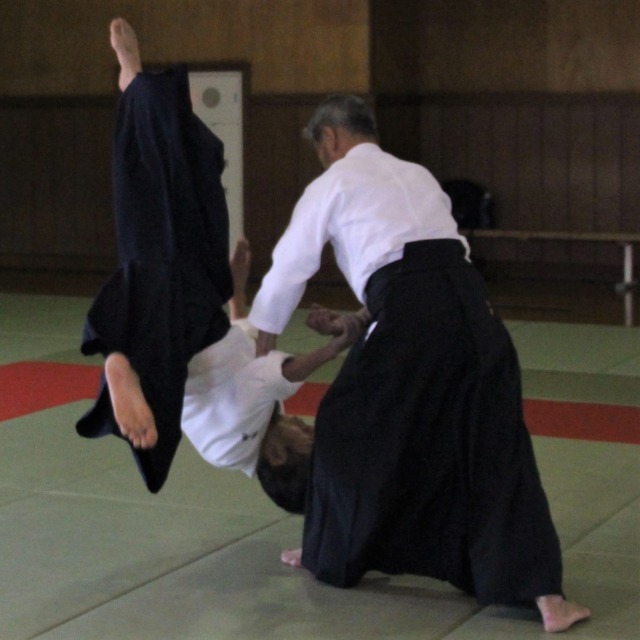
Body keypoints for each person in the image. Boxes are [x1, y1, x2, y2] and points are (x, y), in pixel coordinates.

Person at [247, 95, 591, 632]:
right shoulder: (417, 174)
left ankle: (328, 552)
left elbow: (289, 268)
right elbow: (426, 258)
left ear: (329, 138)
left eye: (319, 148)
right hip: (474, 308)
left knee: (341, 425)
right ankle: (545, 595)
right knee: (493, 443)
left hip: (410, 310)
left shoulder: (333, 183)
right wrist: (365, 316)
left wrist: (259, 355)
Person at [76, 18, 363, 498]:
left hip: (170, 332)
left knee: (156, 215)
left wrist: (336, 347)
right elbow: (248, 350)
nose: (305, 426)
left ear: (278, 457)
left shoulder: (235, 443)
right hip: (202, 305)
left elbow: (277, 374)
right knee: (202, 175)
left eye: (305, 439)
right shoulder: (258, 425)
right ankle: (142, 94)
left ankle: (119, 363)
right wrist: (239, 291)